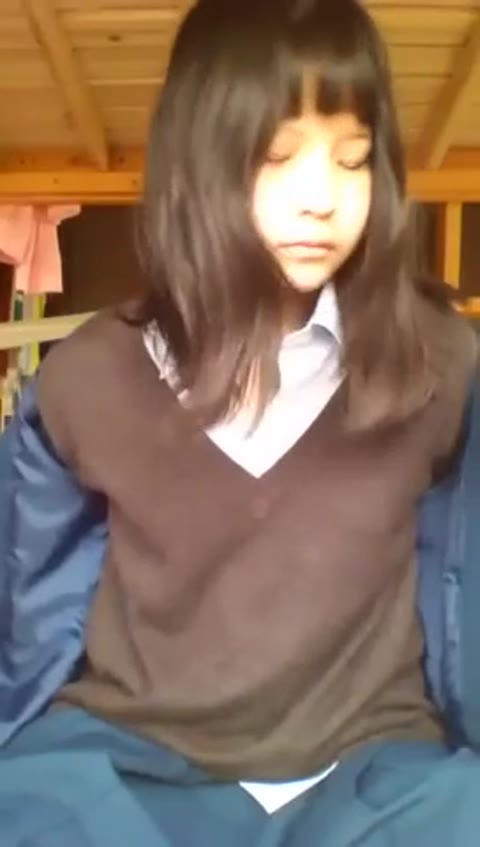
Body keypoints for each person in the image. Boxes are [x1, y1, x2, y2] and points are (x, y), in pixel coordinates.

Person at [0, 0, 479, 844]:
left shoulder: (442, 365)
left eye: (352, 159)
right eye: (276, 156)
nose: (321, 199)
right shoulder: (87, 379)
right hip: (127, 760)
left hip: (376, 772)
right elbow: (28, 604)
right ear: (197, 163)